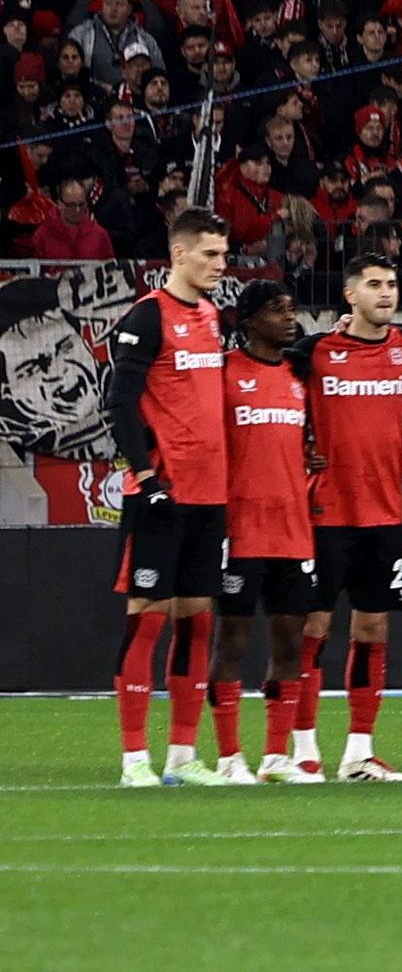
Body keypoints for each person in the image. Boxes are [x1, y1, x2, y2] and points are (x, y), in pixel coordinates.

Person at [99, 208, 234, 787]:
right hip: (162, 494)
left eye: (224, 255)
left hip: (210, 496)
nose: (220, 265)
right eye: (210, 254)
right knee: (147, 618)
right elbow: (120, 404)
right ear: (178, 253)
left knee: (196, 622)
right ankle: (135, 758)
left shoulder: (209, 315)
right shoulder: (146, 318)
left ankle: (183, 756)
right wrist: (147, 478)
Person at [294, 250, 402, 780]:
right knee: (313, 626)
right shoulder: (316, 353)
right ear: (350, 295)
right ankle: (301, 749)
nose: (386, 293)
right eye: (374, 284)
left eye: (391, 283)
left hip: (385, 514)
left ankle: (358, 752)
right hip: (327, 511)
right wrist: (301, 443)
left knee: (372, 628)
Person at [207, 281, 321, 784]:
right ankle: (231, 756)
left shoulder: (298, 379)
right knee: (231, 639)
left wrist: (306, 460)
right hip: (241, 530)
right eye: (277, 310)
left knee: (290, 646)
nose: (288, 317)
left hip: (293, 531)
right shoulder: (226, 374)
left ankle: (277, 756)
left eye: (291, 309)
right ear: (249, 320)